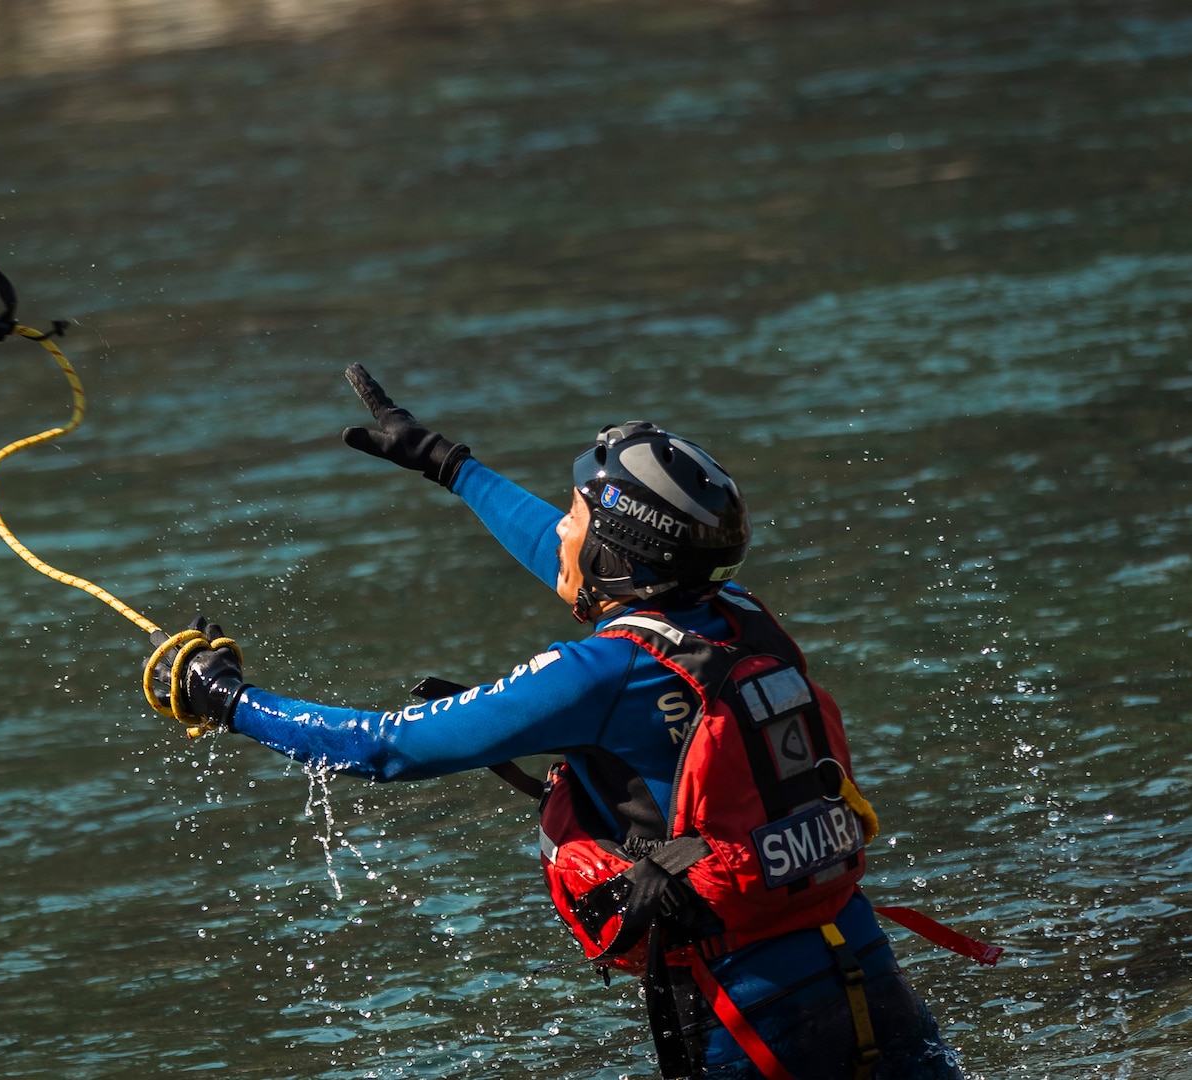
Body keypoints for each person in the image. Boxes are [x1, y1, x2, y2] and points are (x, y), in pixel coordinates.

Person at [150, 365, 970, 1079]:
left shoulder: (598, 674)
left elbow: (384, 748)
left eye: (575, 515)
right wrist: (448, 466)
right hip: (859, 960)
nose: (561, 527)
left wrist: (224, 699)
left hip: (747, 1012)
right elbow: (578, 559)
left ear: (617, 557)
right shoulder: (743, 619)